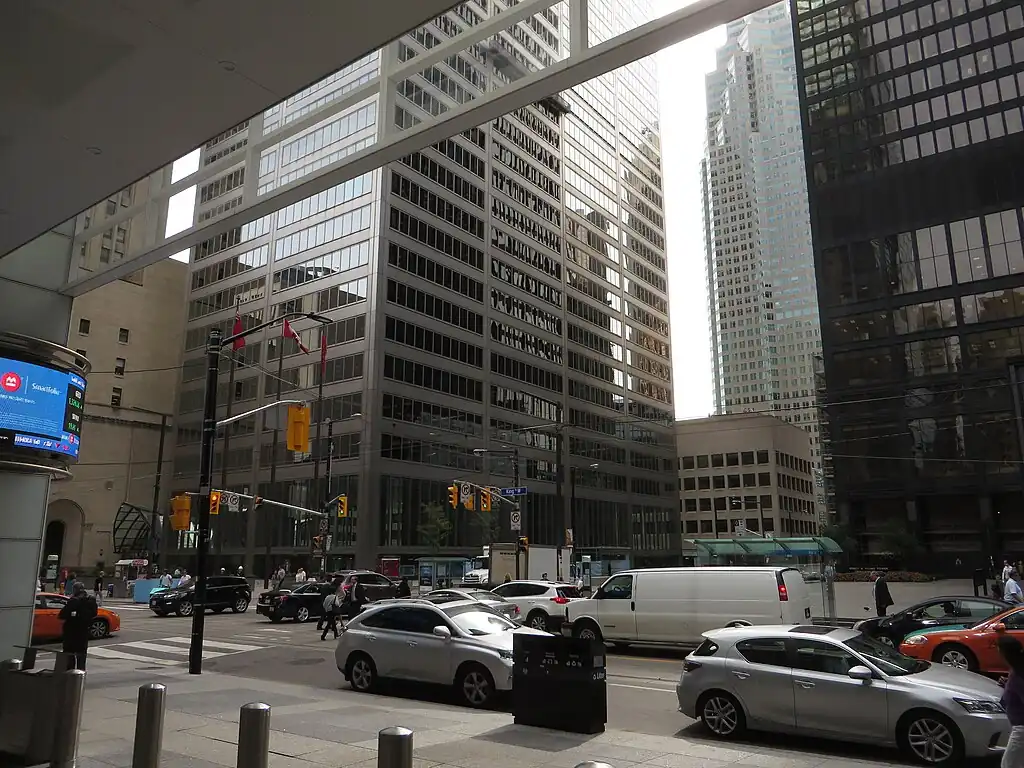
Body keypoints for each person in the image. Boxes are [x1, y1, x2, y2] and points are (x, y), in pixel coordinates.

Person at [59, 582, 98, 671]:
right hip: (84, 631)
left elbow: (62, 615)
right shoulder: (91, 600)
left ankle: (70, 674)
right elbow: (94, 613)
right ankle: (80, 674)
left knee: (69, 655)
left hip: (71, 632)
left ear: (75, 590)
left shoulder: (74, 601)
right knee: (81, 656)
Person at [1000, 635, 1024, 768]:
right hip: (1019, 727)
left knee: (1009, 765)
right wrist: (1007, 684)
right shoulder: (1016, 670)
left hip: (1022, 730)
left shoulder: (1018, 676)